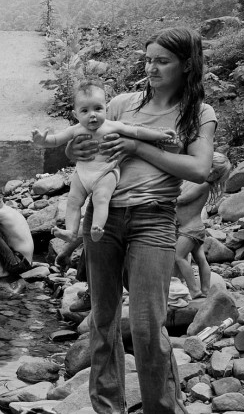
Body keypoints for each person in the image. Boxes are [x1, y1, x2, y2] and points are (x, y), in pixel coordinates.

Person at [66, 27, 215, 413]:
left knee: (148, 327)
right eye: (148, 60)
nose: (152, 68)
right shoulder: (120, 104)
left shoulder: (197, 112)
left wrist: (136, 146)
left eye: (162, 61)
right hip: (104, 218)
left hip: (154, 219)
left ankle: (163, 409)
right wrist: (73, 147)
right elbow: (87, 149)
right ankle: (107, 408)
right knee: (103, 322)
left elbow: (199, 169)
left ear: (186, 65)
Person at [32, 79, 176, 241]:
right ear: (75, 114)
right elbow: (56, 140)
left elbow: (136, 132)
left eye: (98, 108)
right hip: (83, 173)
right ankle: (71, 232)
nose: (92, 115)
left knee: (101, 198)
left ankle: (97, 226)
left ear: (106, 109)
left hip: (106, 172)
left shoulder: (112, 126)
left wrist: (160, 135)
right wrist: (42, 142)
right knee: (73, 201)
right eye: (85, 111)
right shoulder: (75, 130)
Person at [175, 152, 231, 299]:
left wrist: (164, 196)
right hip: (195, 229)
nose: (211, 171)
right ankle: (206, 290)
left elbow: (182, 199)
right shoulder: (193, 179)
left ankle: (194, 290)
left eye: (216, 172)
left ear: (218, 177)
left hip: (190, 230)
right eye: (210, 166)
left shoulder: (203, 184)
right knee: (200, 259)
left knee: (178, 256)